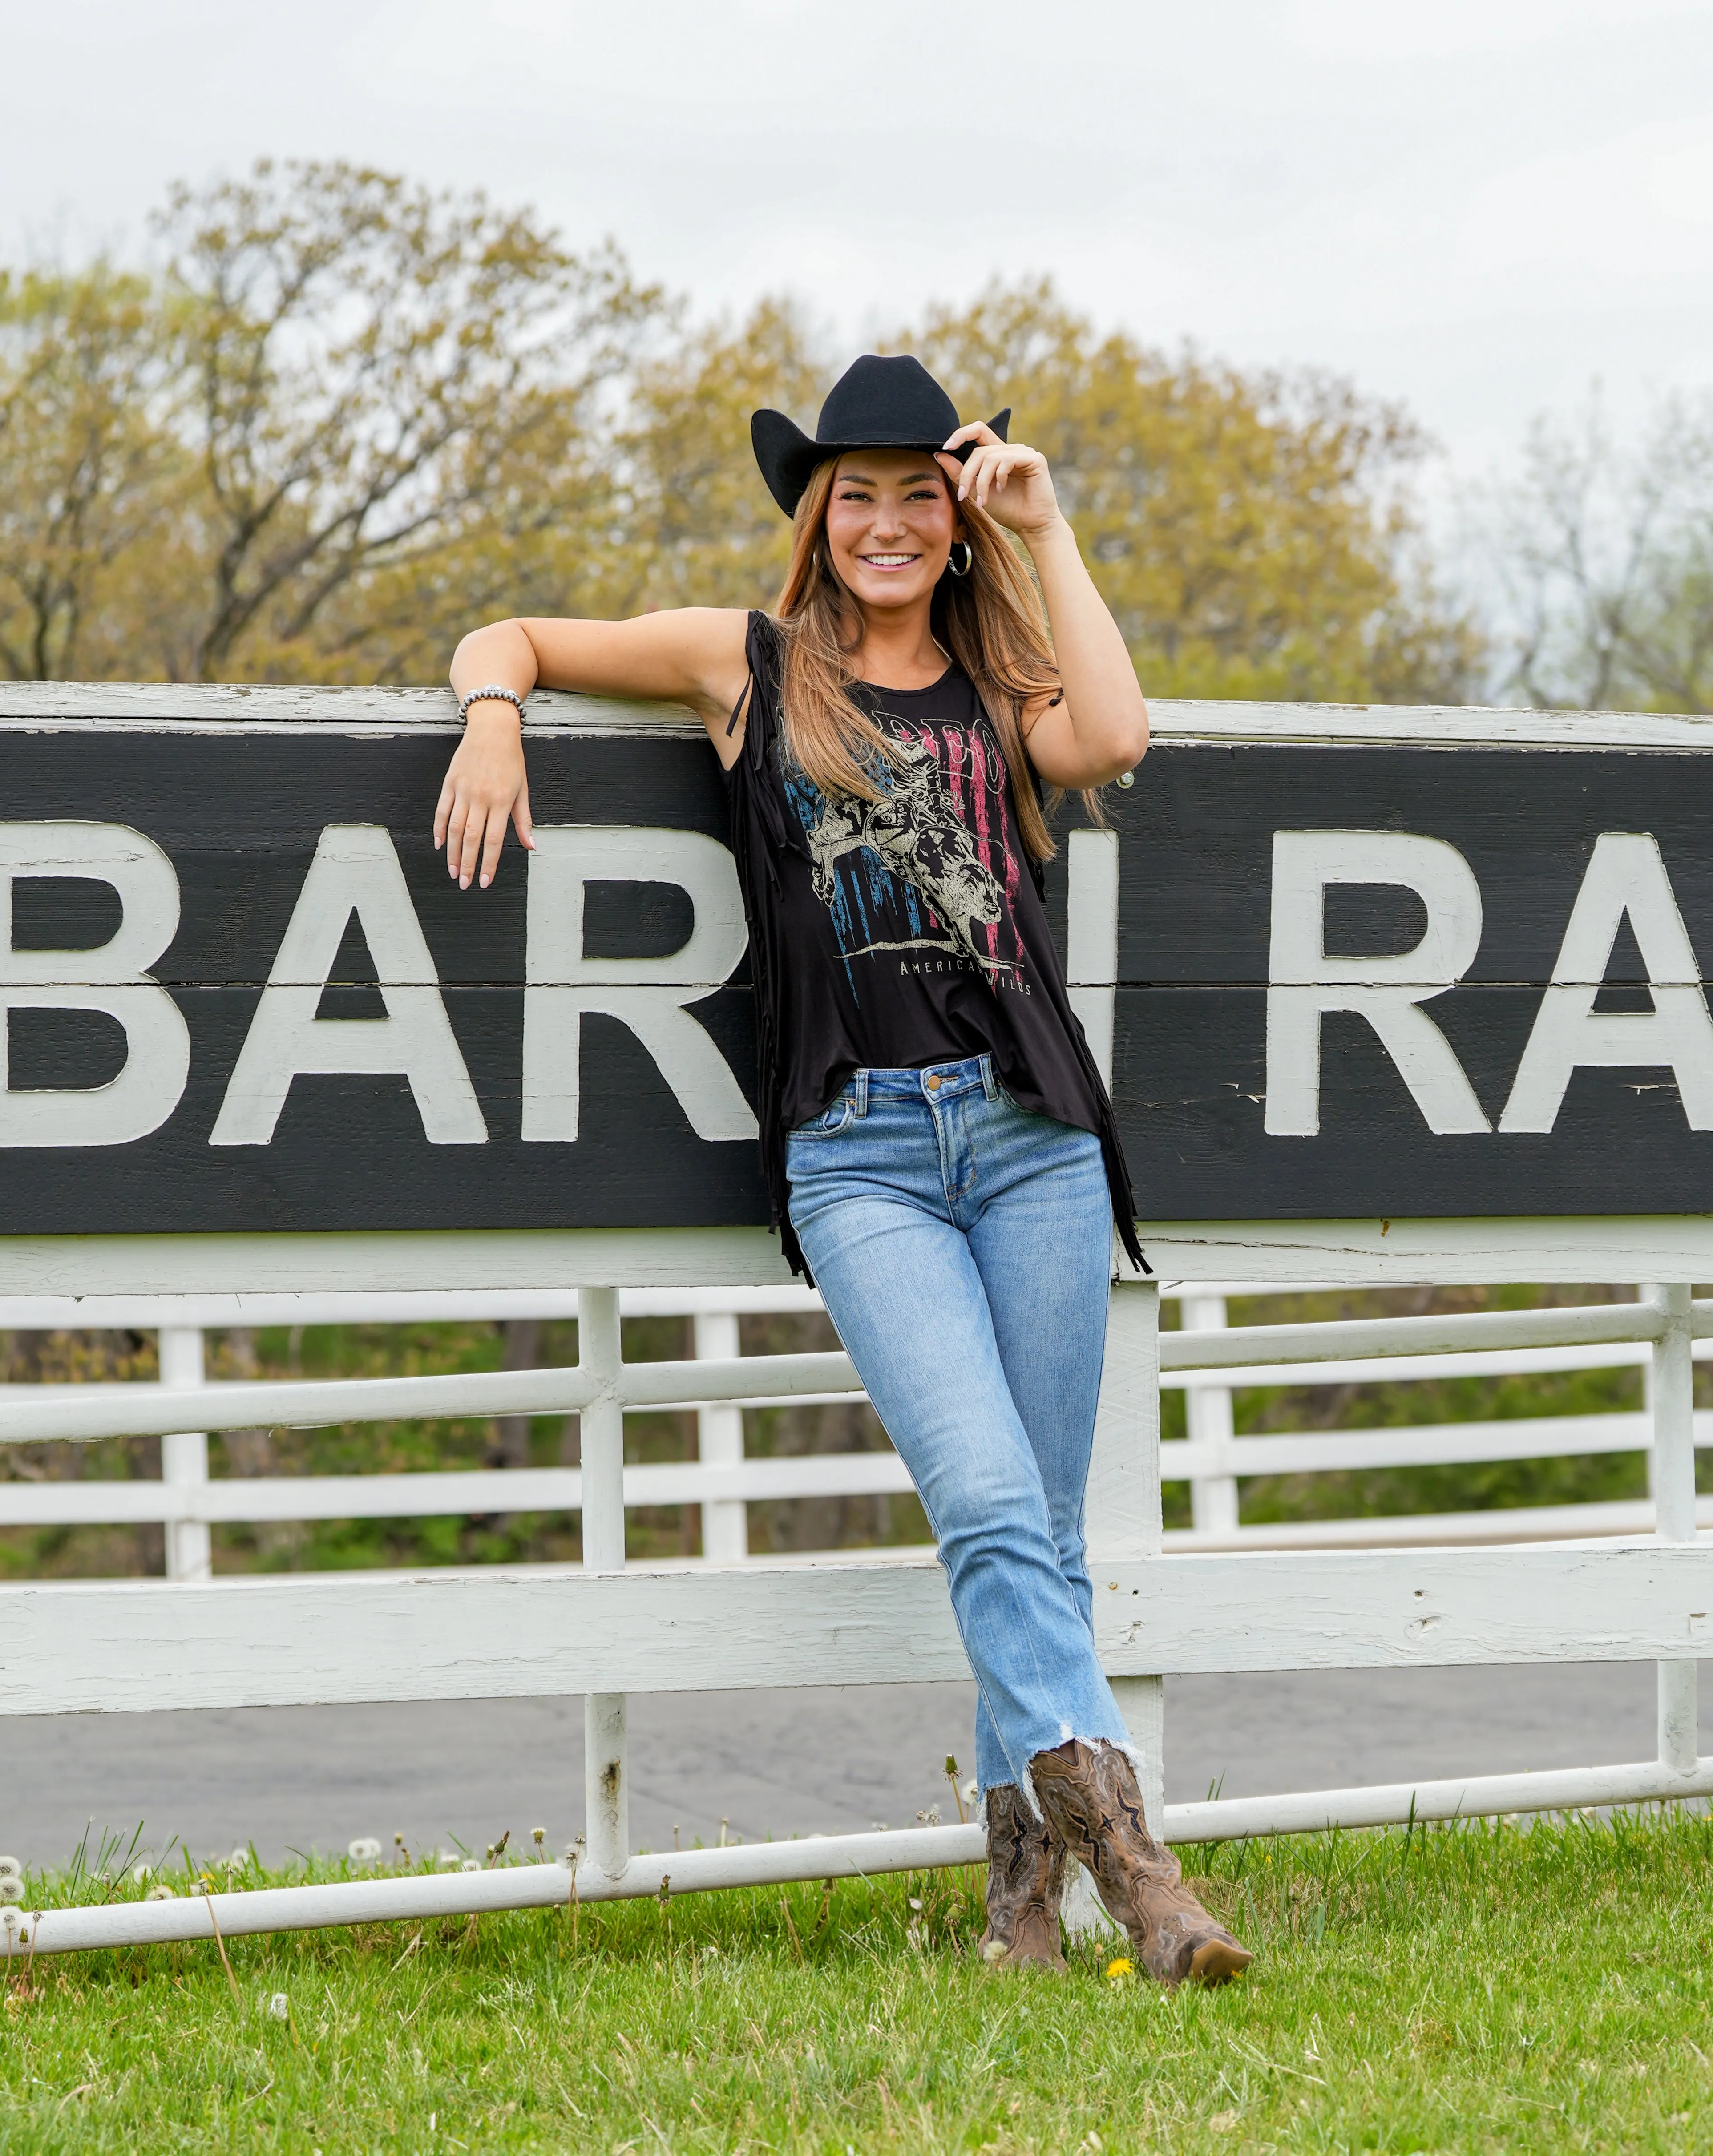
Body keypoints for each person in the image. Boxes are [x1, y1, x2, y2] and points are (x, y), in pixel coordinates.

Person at [434, 353, 1251, 1985]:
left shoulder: (997, 687)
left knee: (1040, 1535)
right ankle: (1144, 1871)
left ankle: (1026, 1906)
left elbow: (1119, 730)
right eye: (856, 493)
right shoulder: (750, 665)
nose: (887, 522)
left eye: (919, 495)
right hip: (862, 1156)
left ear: (954, 522)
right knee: (994, 1504)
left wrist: (1046, 520)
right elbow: (506, 632)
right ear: (819, 515)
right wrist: (493, 717)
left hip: (1033, 1138)